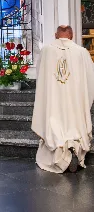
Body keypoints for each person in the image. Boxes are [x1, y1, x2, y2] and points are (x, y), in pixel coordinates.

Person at [32, 25, 94, 173]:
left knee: (53, 125)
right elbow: (90, 78)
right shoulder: (82, 52)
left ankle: (58, 155)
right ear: (71, 35)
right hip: (75, 101)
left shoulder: (46, 51)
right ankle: (75, 151)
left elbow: (40, 75)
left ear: (55, 35)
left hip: (53, 101)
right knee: (76, 124)